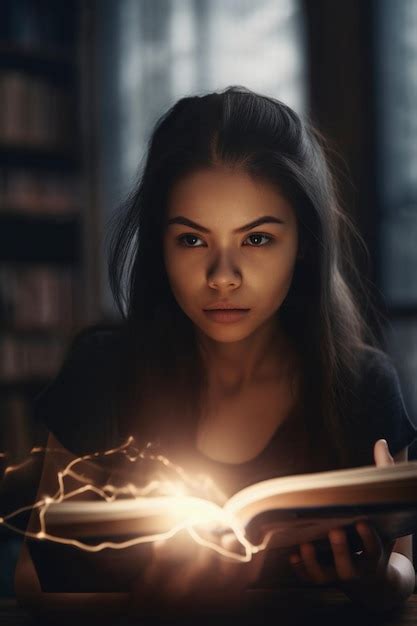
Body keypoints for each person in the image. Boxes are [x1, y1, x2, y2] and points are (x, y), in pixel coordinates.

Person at [14, 85, 417, 618]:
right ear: (159, 244)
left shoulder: (362, 381)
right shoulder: (103, 370)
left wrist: (379, 578)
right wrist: (151, 607)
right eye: (192, 240)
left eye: (256, 240)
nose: (222, 277)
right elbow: (31, 578)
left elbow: (405, 570)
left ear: (304, 244)